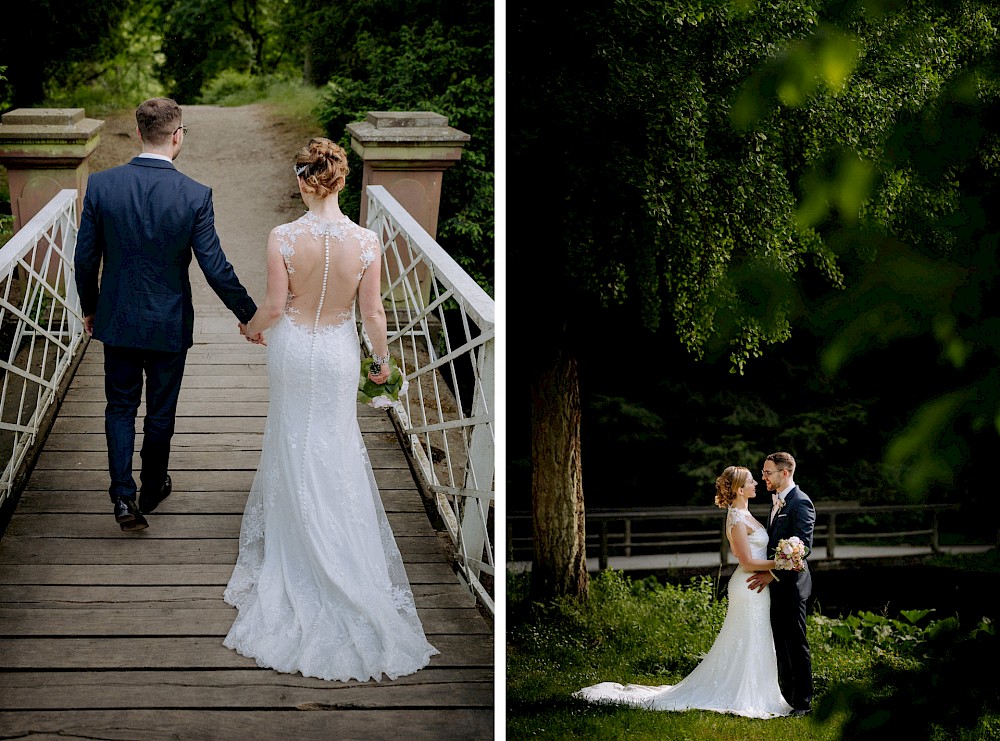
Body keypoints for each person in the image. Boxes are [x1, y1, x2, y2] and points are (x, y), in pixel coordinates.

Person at [221, 137, 439, 682]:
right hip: (340, 353)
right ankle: (341, 549)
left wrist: (251, 329)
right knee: (336, 443)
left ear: (302, 179)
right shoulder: (366, 241)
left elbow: (274, 306)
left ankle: (299, 542)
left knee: (291, 436)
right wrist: (383, 363)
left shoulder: (283, 237)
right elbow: (372, 312)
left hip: (295, 349)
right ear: (342, 180)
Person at [75, 97, 259, 533]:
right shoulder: (195, 195)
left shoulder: (102, 186)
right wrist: (250, 315)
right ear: (177, 136)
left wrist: (91, 308)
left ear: (138, 132)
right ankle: (153, 486)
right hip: (168, 323)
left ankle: (122, 497)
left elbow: (85, 259)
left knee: (119, 407)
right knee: (161, 411)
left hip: (117, 318)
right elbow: (216, 267)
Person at [574, 466, 794, 718]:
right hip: (747, 586)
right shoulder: (736, 518)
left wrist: (777, 565)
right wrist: (782, 563)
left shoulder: (746, 513)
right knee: (746, 639)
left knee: (755, 639)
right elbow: (746, 562)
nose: (756, 482)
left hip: (757, 587)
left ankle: (760, 692)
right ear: (740, 489)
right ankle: (742, 694)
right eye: (751, 480)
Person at [747, 451, 816, 716]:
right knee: (780, 643)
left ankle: (803, 703)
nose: (763, 477)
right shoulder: (777, 502)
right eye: (763, 472)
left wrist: (772, 574)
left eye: (768, 472)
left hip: (792, 586)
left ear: (784, 473)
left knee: (796, 643)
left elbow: (802, 548)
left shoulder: (800, 503)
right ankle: (785, 697)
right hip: (775, 587)